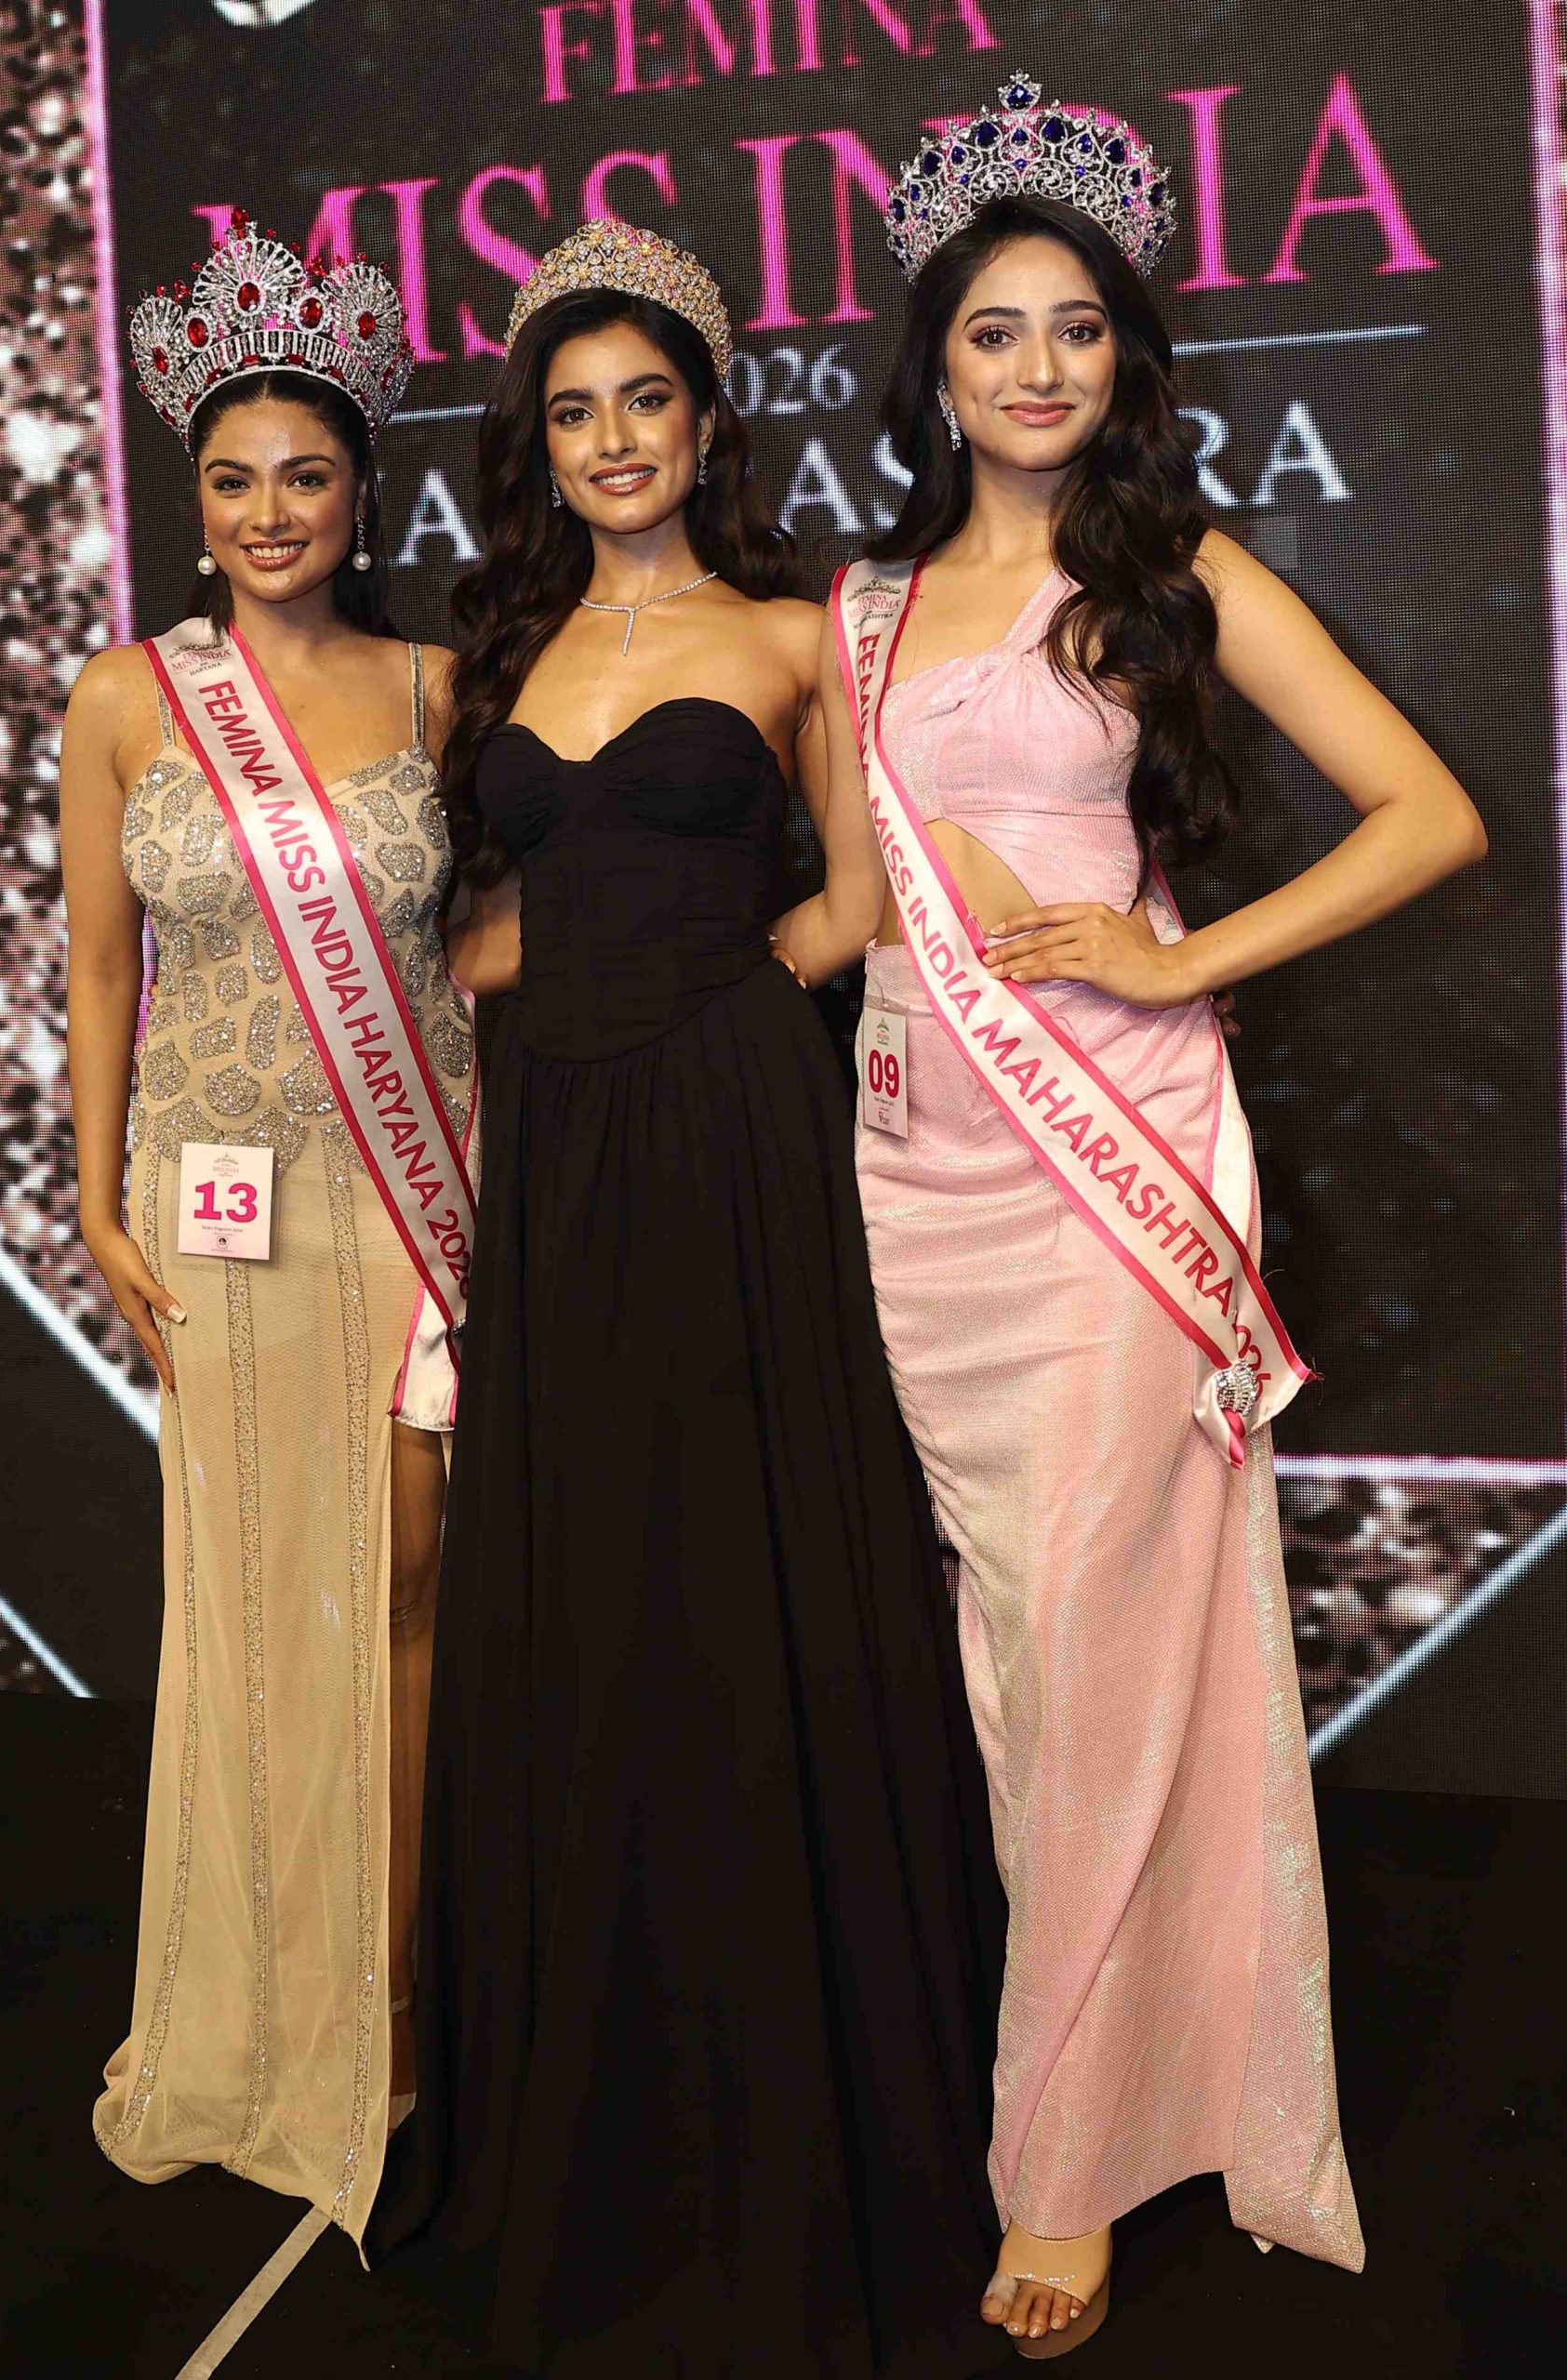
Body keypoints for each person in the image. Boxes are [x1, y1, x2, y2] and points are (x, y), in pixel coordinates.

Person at [821, 78, 1486, 2355]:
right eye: (993, 329)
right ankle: (1118, 2063)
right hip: (917, 1180)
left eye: (1076, 327)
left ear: (1122, 357)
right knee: (1013, 1668)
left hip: (1110, 1168)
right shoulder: (859, 609)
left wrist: (1178, 956)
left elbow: (1427, 814)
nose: (1037, 367)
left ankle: (1068, 2163)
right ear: (933, 364)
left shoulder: (1170, 574)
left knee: (1094, 1656)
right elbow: (847, 909)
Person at [368, 220, 1009, 2379]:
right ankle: (601, 2090)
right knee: (589, 1575)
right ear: (538, 445)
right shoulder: (497, 651)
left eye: (645, 398)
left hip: (733, 1127)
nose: (613, 438)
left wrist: (724, 994)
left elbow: (860, 888)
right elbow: (475, 916)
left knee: (746, 1565)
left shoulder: (792, 630)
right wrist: (537, 996)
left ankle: (809, 2100)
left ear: (709, 417)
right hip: (557, 1147)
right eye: (574, 410)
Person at [60, 215, 476, 2250]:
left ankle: (385, 2005)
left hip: (410, 1192)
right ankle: (250, 2003)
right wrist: (87, 1193)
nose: (271, 511)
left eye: (307, 474)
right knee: (243, 1600)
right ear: (196, 501)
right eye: (233, 479)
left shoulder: (440, 687)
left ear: (362, 491)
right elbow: (97, 974)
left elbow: (487, 948)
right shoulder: (125, 697)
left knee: (401, 1583)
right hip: (211, 1210)